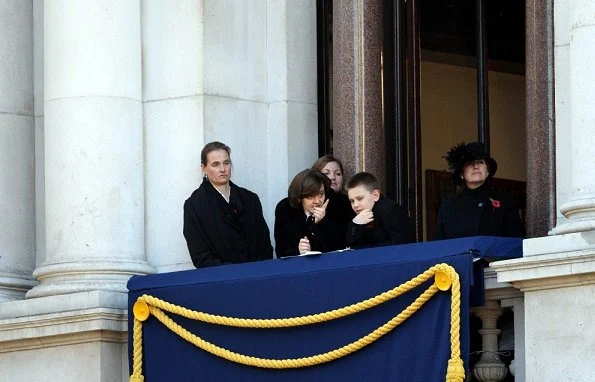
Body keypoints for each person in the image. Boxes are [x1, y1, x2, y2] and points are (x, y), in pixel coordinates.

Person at [183, 141, 273, 268]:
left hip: (256, 275)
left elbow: (265, 245)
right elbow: (200, 256)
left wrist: (257, 270)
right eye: (215, 164)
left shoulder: (250, 199)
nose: (222, 169)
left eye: (226, 163)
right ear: (204, 168)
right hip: (221, 280)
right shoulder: (194, 206)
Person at [434, 141, 524, 240]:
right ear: (462, 174)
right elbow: (440, 243)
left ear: (487, 172)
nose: (476, 166)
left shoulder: (505, 201)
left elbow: (516, 241)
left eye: (480, 162)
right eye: (469, 163)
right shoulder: (449, 205)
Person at [274, 169, 343, 257]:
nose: (318, 201)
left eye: (321, 194)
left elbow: (337, 248)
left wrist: (318, 223)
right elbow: (281, 252)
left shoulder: (335, 207)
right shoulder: (285, 210)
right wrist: (298, 251)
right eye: (311, 196)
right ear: (300, 197)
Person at [345, 172, 413, 248]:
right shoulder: (357, 217)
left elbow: (400, 243)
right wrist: (355, 225)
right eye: (352, 201)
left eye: (360, 198)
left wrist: (364, 249)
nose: (355, 205)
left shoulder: (391, 209)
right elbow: (350, 249)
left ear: (375, 195)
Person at [311, 155, 355, 248]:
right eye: (326, 173)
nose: (332, 177)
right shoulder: (304, 203)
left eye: (338, 174)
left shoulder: (350, 203)